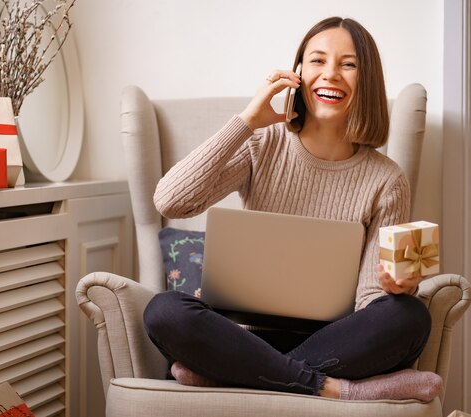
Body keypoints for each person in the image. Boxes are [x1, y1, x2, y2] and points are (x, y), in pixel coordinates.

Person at [143, 16, 443, 402]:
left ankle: (231, 376)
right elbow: (170, 200)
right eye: (318, 60)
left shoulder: (386, 179)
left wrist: (393, 286)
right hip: (239, 333)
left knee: (409, 317)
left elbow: (370, 302)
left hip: (332, 341)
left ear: (367, 81)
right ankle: (336, 390)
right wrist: (247, 120)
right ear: (297, 73)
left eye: (348, 64)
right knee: (164, 311)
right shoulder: (262, 144)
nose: (331, 74)